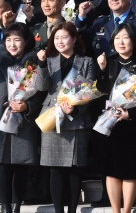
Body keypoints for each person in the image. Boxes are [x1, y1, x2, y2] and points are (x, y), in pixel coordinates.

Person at [35, 22, 97, 213]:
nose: (60, 41)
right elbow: (41, 87)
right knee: (55, 169)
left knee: (73, 170)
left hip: (77, 120)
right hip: (53, 118)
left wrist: (75, 110)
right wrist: (42, 64)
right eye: (56, 38)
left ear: (74, 38)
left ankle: (71, 210)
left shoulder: (87, 61)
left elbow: (89, 92)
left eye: (64, 37)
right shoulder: (49, 60)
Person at [94, 23, 136, 213]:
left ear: (134, 40)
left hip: (132, 124)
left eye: (125, 37)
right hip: (109, 124)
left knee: (130, 170)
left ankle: (127, 210)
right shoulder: (107, 62)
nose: (121, 42)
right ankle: (115, 210)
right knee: (111, 170)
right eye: (117, 38)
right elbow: (99, 91)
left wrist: (130, 114)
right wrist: (101, 70)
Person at [0, 22, 45, 213]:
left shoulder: (34, 63)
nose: (12, 44)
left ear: (26, 41)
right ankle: (4, 205)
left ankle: (17, 205)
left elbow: (43, 92)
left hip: (24, 120)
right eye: (8, 40)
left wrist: (27, 105)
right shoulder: (1, 61)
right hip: (2, 118)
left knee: (21, 165)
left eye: (17, 40)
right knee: (2, 165)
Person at [75, 0, 136, 64]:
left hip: (130, 74)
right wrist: (81, 16)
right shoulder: (100, 22)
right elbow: (80, 43)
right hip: (103, 74)